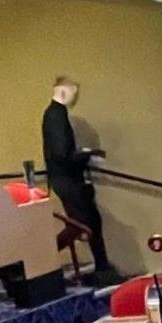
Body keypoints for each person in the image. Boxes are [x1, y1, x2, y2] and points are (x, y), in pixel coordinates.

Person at [40, 76, 111, 280]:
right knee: (84, 224)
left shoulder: (55, 114)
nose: (75, 97)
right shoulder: (56, 116)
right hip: (68, 180)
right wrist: (87, 154)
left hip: (65, 179)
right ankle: (41, 260)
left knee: (86, 223)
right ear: (64, 91)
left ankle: (102, 267)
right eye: (73, 92)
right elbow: (62, 154)